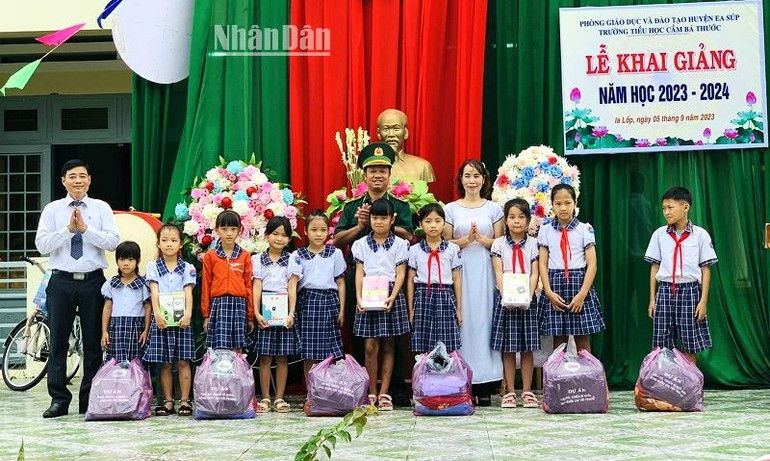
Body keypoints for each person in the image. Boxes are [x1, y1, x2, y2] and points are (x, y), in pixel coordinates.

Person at [35, 159, 119, 418]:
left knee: (93, 343)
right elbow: (42, 245)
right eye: (72, 176)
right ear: (64, 181)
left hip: (94, 281)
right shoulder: (52, 210)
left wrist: (85, 229)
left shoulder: (101, 208)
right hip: (61, 282)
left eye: (83, 175)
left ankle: (89, 399)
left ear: (90, 180)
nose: (78, 180)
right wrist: (68, 231)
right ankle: (59, 399)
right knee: (59, 341)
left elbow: (113, 241)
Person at [333, 142, 414, 405]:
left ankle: (391, 391)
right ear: (364, 175)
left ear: (390, 175)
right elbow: (337, 240)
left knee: (392, 341)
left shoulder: (400, 207)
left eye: (383, 170)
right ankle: (365, 390)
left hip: (391, 283)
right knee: (364, 342)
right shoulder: (353, 206)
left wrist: (386, 222)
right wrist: (360, 224)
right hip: (362, 281)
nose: (377, 175)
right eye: (372, 170)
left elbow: (410, 236)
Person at [443, 160, 504, 406]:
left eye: (476, 175)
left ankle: (487, 384)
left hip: (488, 270)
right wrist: (467, 240)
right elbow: (445, 243)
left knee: (485, 321)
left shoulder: (494, 209)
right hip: (460, 271)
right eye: (467, 175)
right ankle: (462, 379)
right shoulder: (450, 209)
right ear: (460, 180)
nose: (471, 180)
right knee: (464, 321)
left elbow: (500, 244)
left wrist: (481, 239)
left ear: (484, 179)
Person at [644, 186, 717, 364]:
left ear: (685, 207)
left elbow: (706, 269)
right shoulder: (659, 235)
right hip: (665, 291)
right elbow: (655, 267)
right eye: (664, 208)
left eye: (670, 207)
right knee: (662, 344)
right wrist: (652, 299)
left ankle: (689, 385)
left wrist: (703, 301)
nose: (666, 212)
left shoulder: (700, 235)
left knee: (689, 343)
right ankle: (665, 386)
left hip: (690, 292)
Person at [352, 198, 410, 411]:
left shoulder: (400, 244)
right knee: (370, 345)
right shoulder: (360, 245)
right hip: (368, 293)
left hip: (390, 293)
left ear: (392, 219)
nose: (379, 222)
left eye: (383, 218)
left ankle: (384, 392)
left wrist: (393, 296)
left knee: (388, 343)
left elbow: (401, 273)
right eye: (375, 217)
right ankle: (371, 392)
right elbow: (359, 273)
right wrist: (358, 298)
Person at [538, 184, 605, 353]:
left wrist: (582, 295)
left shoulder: (585, 229)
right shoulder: (545, 230)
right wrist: (548, 292)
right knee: (559, 340)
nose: (563, 208)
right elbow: (542, 264)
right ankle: (558, 378)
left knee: (582, 338)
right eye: (558, 203)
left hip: (579, 285)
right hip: (555, 286)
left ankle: (588, 378)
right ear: (551, 205)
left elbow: (592, 264)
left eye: (567, 203)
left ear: (575, 203)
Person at [490, 199, 540, 409]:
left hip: (528, 300)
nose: (516, 221)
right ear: (506, 220)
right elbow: (499, 271)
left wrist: (527, 296)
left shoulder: (534, 244)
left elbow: (535, 271)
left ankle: (527, 391)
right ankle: (510, 391)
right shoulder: (498, 244)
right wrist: (507, 295)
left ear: (528, 220)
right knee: (508, 348)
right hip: (506, 300)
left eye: (521, 217)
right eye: (512, 217)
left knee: (527, 348)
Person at [143, 223, 196, 417]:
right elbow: (154, 291)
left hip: (182, 321)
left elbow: (188, 292)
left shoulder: (188, 268)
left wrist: (188, 314)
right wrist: (157, 313)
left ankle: (184, 400)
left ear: (181, 244)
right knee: (164, 363)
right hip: (162, 322)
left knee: (183, 361)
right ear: (158, 244)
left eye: (173, 240)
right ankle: (167, 401)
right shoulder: (153, 266)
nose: (169, 244)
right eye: (164, 240)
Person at [290, 211, 347, 384]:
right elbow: (292, 284)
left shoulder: (334, 253)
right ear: (306, 231)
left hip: (329, 301)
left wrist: (342, 310)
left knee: (328, 350)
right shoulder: (298, 255)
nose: (318, 234)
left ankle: (326, 390)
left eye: (323, 230)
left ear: (328, 231)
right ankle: (311, 392)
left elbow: (341, 283)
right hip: (307, 302)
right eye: (314, 230)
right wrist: (292, 311)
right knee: (309, 351)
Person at [252, 216, 298, 413]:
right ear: (266, 235)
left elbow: (292, 287)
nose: (279, 239)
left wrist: (291, 313)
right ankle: (265, 398)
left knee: (281, 358)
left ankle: (279, 397)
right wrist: (256, 312)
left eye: (284, 235)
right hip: (265, 310)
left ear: (289, 239)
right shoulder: (257, 259)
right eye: (275, 234)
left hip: (283, 310)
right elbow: (257, 286)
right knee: (265, 357)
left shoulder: (293, 260)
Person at [407, 204, 463, 353]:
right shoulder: (414, 250)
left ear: (444, 223)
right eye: (428, 221)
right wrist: (411, 308)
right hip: (422, 295)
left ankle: (447, 375)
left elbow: (456, 279)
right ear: (420, 224)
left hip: (445, 295)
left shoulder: (452, 249)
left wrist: (458, 308)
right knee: (424, 341)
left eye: (438, 221)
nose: (433, 225)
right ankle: (423, 375)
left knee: (446, 340)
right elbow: (410, 280)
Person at [201, 210, 254, 351]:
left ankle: (238, 373)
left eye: (233, 229)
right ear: (217, 230)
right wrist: (206, 315)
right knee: (219, 348)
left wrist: (250, 316)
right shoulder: (210, 256)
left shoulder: (245, 256)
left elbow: (248, 285)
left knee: (238, 349)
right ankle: (219, 374)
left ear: (240, 230)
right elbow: (206, 285)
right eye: (224, 229)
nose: (229, 233)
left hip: (239, 305)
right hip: (218, 305)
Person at [100, 241, 151, 362]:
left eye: (130, 259)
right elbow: (107, 308)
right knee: (116, 361)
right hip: (116, 328)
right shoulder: (111, 284)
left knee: (136, 361)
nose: (126, 263)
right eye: (122, 259)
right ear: (116, 261)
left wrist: (146, 330)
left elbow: (148, 307)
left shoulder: (143, 284)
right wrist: (104, 331)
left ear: (137, 261)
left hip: (136, 327)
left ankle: (137, 382)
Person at [376, 108, 435, 183]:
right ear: (378, 133)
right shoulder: (366, 170)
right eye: (386, 129)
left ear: (406, 132)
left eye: (396, 129)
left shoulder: (423, 167)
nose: (391, 134)